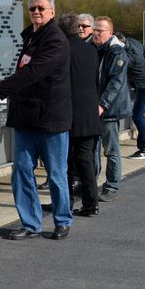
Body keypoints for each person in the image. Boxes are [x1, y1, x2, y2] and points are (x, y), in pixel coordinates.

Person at [0, 0, 73, 240]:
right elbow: (26, 73)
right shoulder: (31, 37)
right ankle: (31, 224)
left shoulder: (55, 40)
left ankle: (62, 220)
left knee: (55, 173)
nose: (36, 11)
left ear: (52, 12)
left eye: (41, 8)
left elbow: (33, 72)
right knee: (21, 171)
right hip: (25, 118)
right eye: (32, 8)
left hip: (50, 119)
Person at [58, 14, 101, 217]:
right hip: (90, 112)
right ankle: (91, 203)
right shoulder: (91, 50)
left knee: (65, 162)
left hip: (70, 113)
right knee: (86, 161)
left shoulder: (63, 49)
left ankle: (65, 203)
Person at [91, 17, 131, 201]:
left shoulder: (116, 53)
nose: (96, 33)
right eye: (95, 29)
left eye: (100, 30)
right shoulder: (93, 49)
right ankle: (90, 183)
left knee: (111, 149)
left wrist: (102, 104)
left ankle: (112, 185)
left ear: (110, 33)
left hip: (109, 109)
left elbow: (116, 82)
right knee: (91, 149)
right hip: (92, 107)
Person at [119, 34, 145, 160]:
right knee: (139, 114)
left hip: (144, 83)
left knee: (137, 115)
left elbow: (122, 64)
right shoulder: (133, 41)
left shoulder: (128, 54)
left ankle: (144, 149)